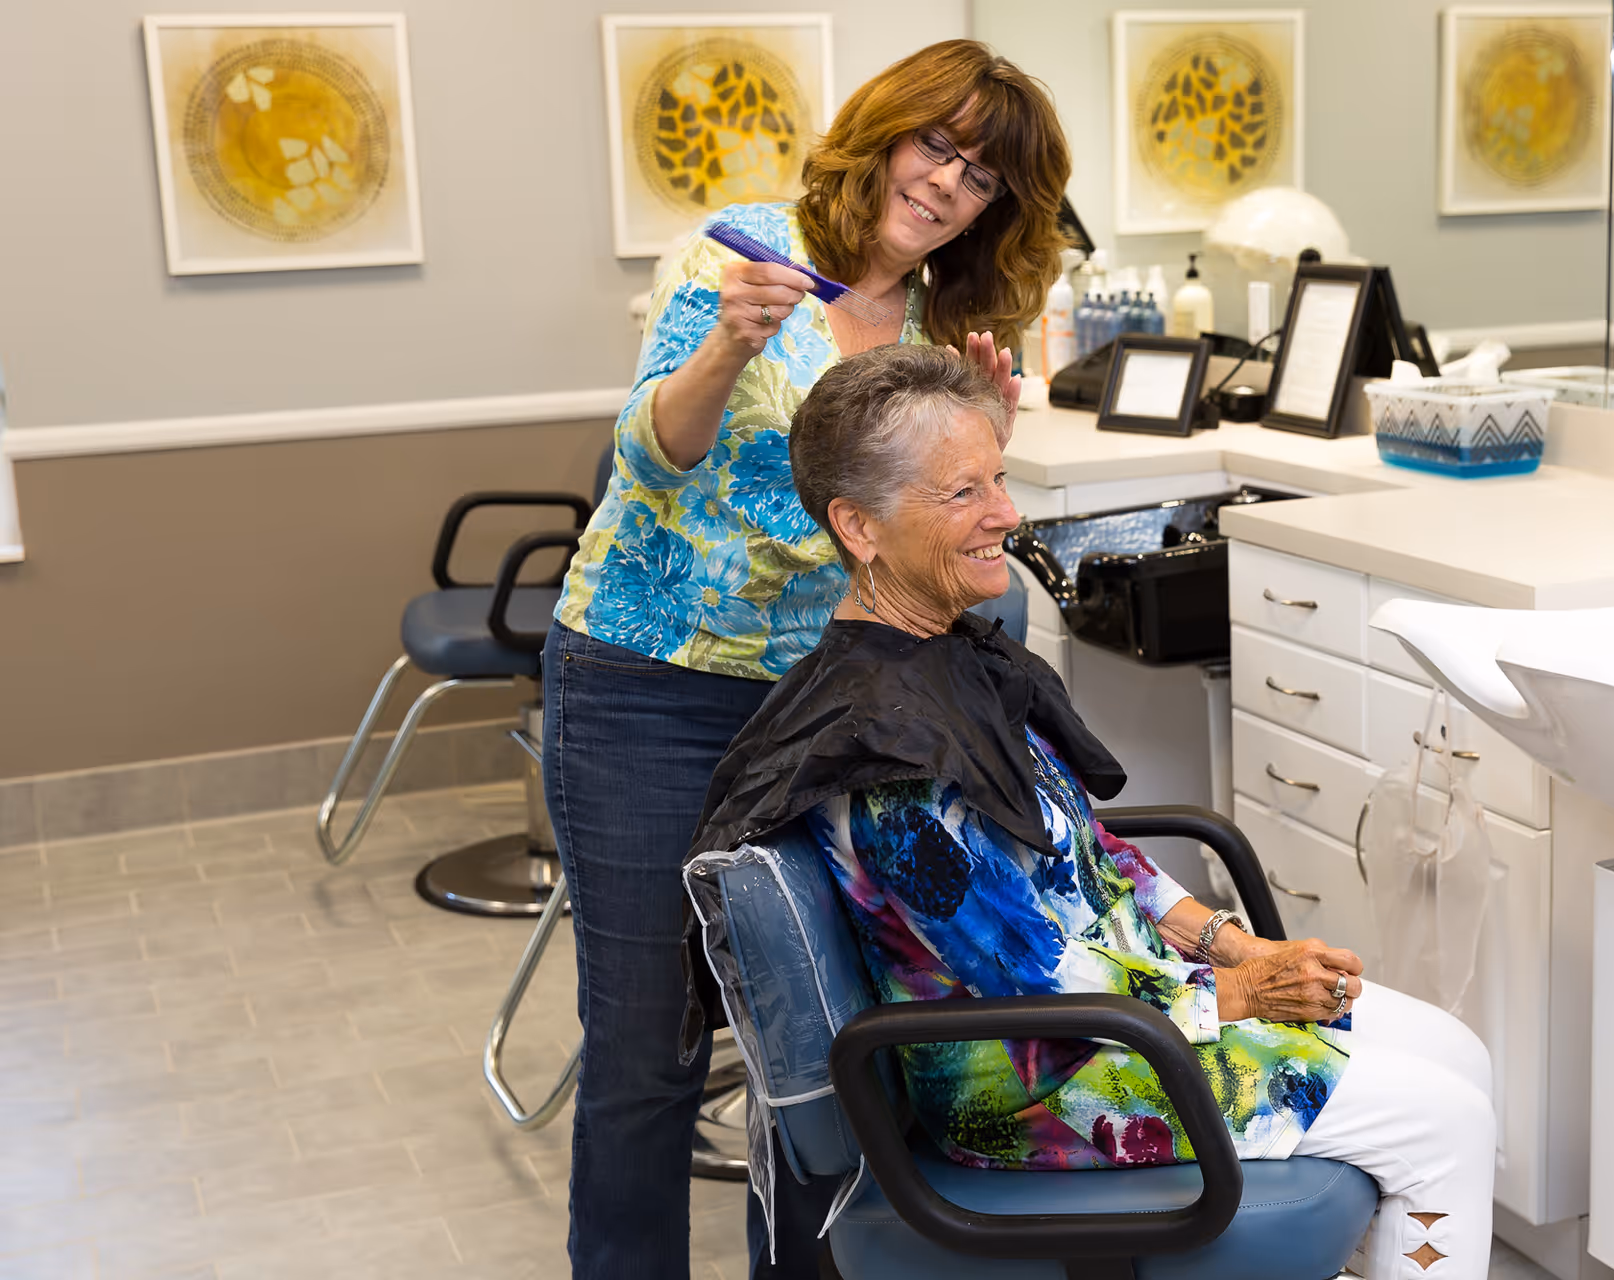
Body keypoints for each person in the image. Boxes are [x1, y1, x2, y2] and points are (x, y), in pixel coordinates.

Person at [691, 345, 1498, 1280]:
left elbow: (1095, 855)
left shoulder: (944, 659)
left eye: (998, 477)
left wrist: (1238, 950)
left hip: (1122, 1006)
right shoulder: (887, 755)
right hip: (1043, 1079)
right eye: (963, 494)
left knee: (1455, 1053)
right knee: (1447, 1122)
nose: (1006, 513)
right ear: (857, 526)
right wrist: (1239, 996)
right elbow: (1029, 981)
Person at [542, 38, 1072, 1280]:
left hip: (820, 705)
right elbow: (655, 457)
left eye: (980, 176)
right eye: (933, 145)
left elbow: (914, 517)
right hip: (645, 686)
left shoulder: (948, 319)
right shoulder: (745, 251)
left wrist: (984, 431)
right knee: (647, 1049)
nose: (944, 183)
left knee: (812, 1033)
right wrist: (726, 344)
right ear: (886, 132)